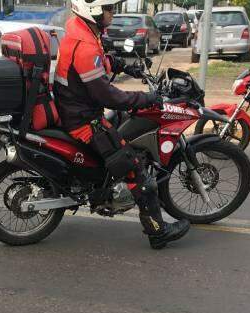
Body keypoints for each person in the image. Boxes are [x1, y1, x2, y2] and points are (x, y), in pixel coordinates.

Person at [54, 0, 190, 249]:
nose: (112, 13)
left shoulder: (80, 29)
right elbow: (108, 96)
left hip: (74, 108)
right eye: (108, 9)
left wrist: (126, 66)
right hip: (84, 120)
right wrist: (146, 99)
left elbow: (99, 62)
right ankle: (158, 232)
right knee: (135, 169)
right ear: (92, 11)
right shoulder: (84, 44)